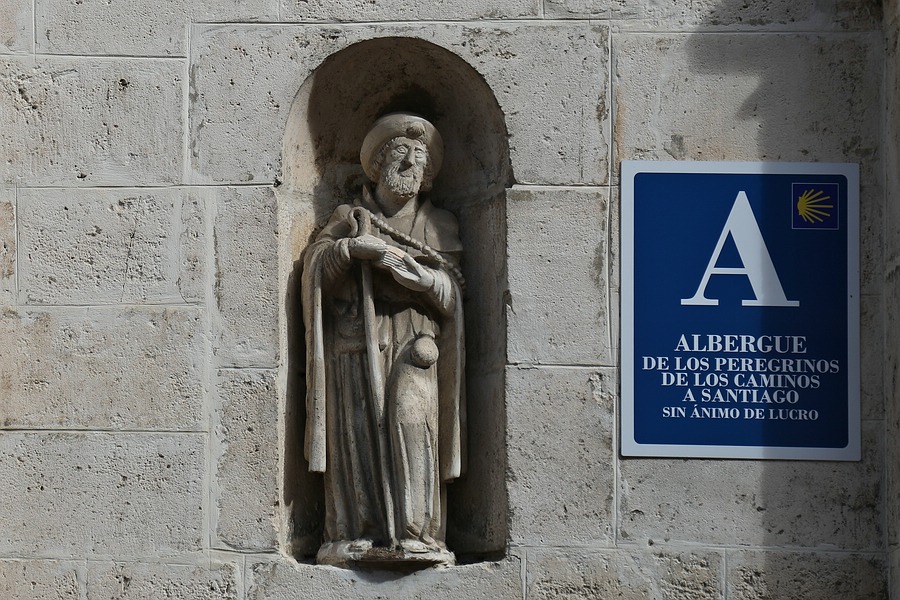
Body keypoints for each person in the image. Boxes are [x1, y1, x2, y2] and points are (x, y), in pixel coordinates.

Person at [301, 113, 466, 566]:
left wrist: (421, 279)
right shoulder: (348, 218)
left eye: (420, 157)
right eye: (400, 152)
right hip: (356, 345)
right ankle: (356, 531)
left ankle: (418, 532)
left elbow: (455, 297)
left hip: (415, 341)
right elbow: (315, 273)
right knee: (357, 433)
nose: (410, 163)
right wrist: (349, 250)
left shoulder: (439, 226)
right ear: (378, 163)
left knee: (412, 421)